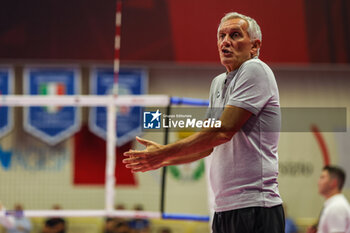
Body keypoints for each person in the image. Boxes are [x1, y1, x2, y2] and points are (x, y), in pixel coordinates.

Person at [123, 12, 284, 233]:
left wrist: (164, 153)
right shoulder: (218, 83)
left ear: (254, 47)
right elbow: (208, 145)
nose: (225, 42)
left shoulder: (255, 69)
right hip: (223, 208)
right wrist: (161, 160)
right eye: (221, 36)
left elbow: (223, 132)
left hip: (255, 205)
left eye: (235, 35)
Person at [307, 165, 350, 233]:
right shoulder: (334, 204)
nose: (318, 182)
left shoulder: (337, 206)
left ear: (333, 182)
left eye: (322, 177)